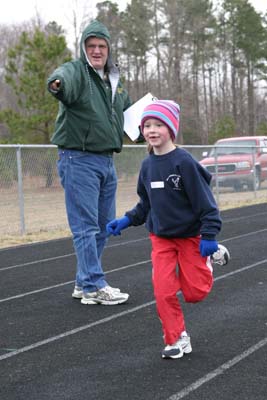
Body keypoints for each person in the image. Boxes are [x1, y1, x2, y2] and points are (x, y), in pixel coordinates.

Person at [106, 100, 230, 358]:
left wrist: (209, 236)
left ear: (171, 129)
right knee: (163, 291)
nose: (152, 130)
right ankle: (176, 339)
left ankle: (210, 255)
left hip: (191, 237)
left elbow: (206, 204)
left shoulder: (183, 162)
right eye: (147, 125)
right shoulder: (147, 166)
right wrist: (127, 220)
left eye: (158, 125)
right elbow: (146, 204)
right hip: (161, 238)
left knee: (195, 293)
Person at [47, 20, 131, 306]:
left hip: (106, 160)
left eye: (101, 46)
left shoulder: (115, 80)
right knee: (85, 226)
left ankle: (84, 282)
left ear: (108, 49)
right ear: (84, 48)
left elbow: (128, 114)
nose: (96, 51)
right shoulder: (77, 72)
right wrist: (57, 84)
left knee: (105, 223)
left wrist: (150, 124)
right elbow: (62, 79)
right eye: (91, 46)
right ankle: (94, 285)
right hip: (78, 158)